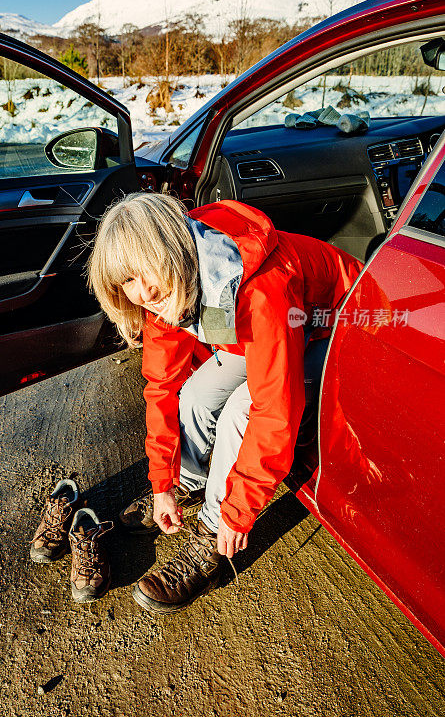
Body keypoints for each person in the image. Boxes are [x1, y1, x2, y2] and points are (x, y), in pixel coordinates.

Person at [89, 192, 363, 614]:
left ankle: (212, 538)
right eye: (126, 281)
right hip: (264, 329)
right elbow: (161, 384)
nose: (142, 292)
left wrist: (239, 511)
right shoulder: (164, 280)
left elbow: (275, 407)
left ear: (173, 250)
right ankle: (188, 484)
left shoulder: (262, 287)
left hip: (336, 323)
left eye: (147, 274)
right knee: (196, 394)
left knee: (241, 409)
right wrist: (162, 483)